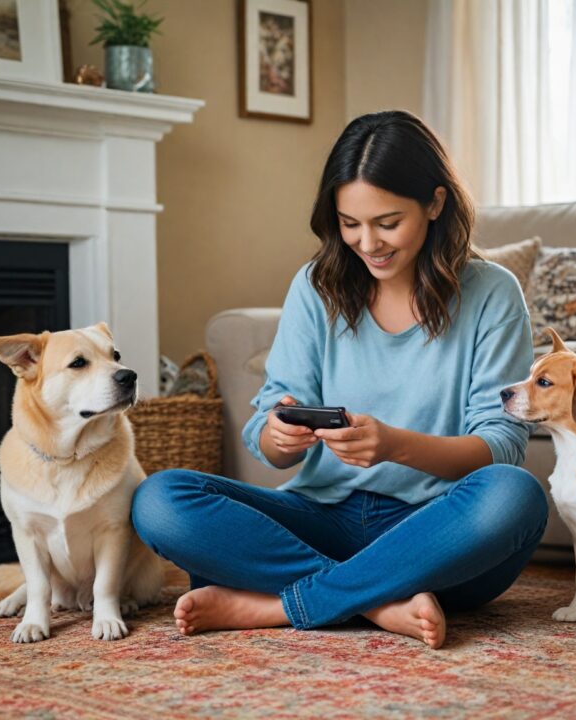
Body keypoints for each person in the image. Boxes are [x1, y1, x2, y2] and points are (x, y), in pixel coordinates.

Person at [131, 110, 548, 650]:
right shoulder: (316, 285)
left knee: (515, 496)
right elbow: (268, 434)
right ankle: (376, 600)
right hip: (322, 513)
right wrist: (277, 436)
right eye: (350, 224)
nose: (367, 242)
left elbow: (501, 445)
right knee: (160, 499)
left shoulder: (493, 293)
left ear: (436, 203)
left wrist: (394, 446)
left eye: (387, 222)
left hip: (435, 533)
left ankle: (283, 603)